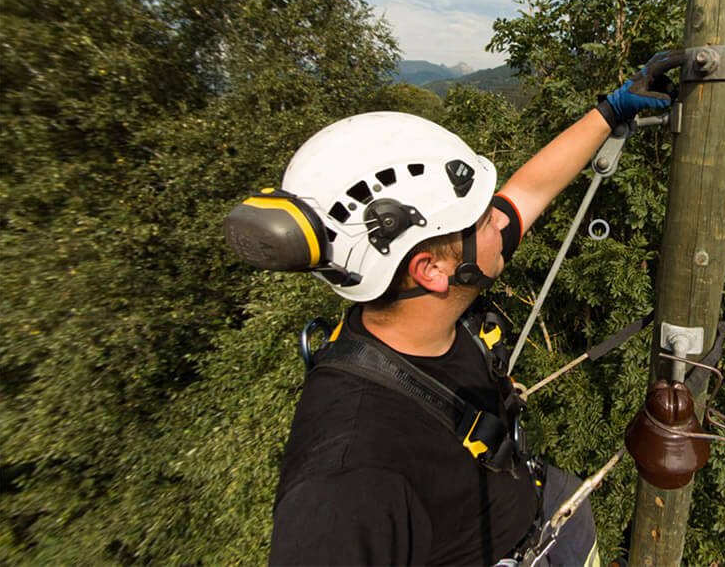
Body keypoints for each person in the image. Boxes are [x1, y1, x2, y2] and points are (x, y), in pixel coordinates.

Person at [223, 52, 683, 565]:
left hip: (539, 509)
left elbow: (527, 192)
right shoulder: (348, 479)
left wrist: (611, 111)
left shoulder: (428, 311)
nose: (503, 220)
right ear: (431, 270)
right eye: (484, 218)